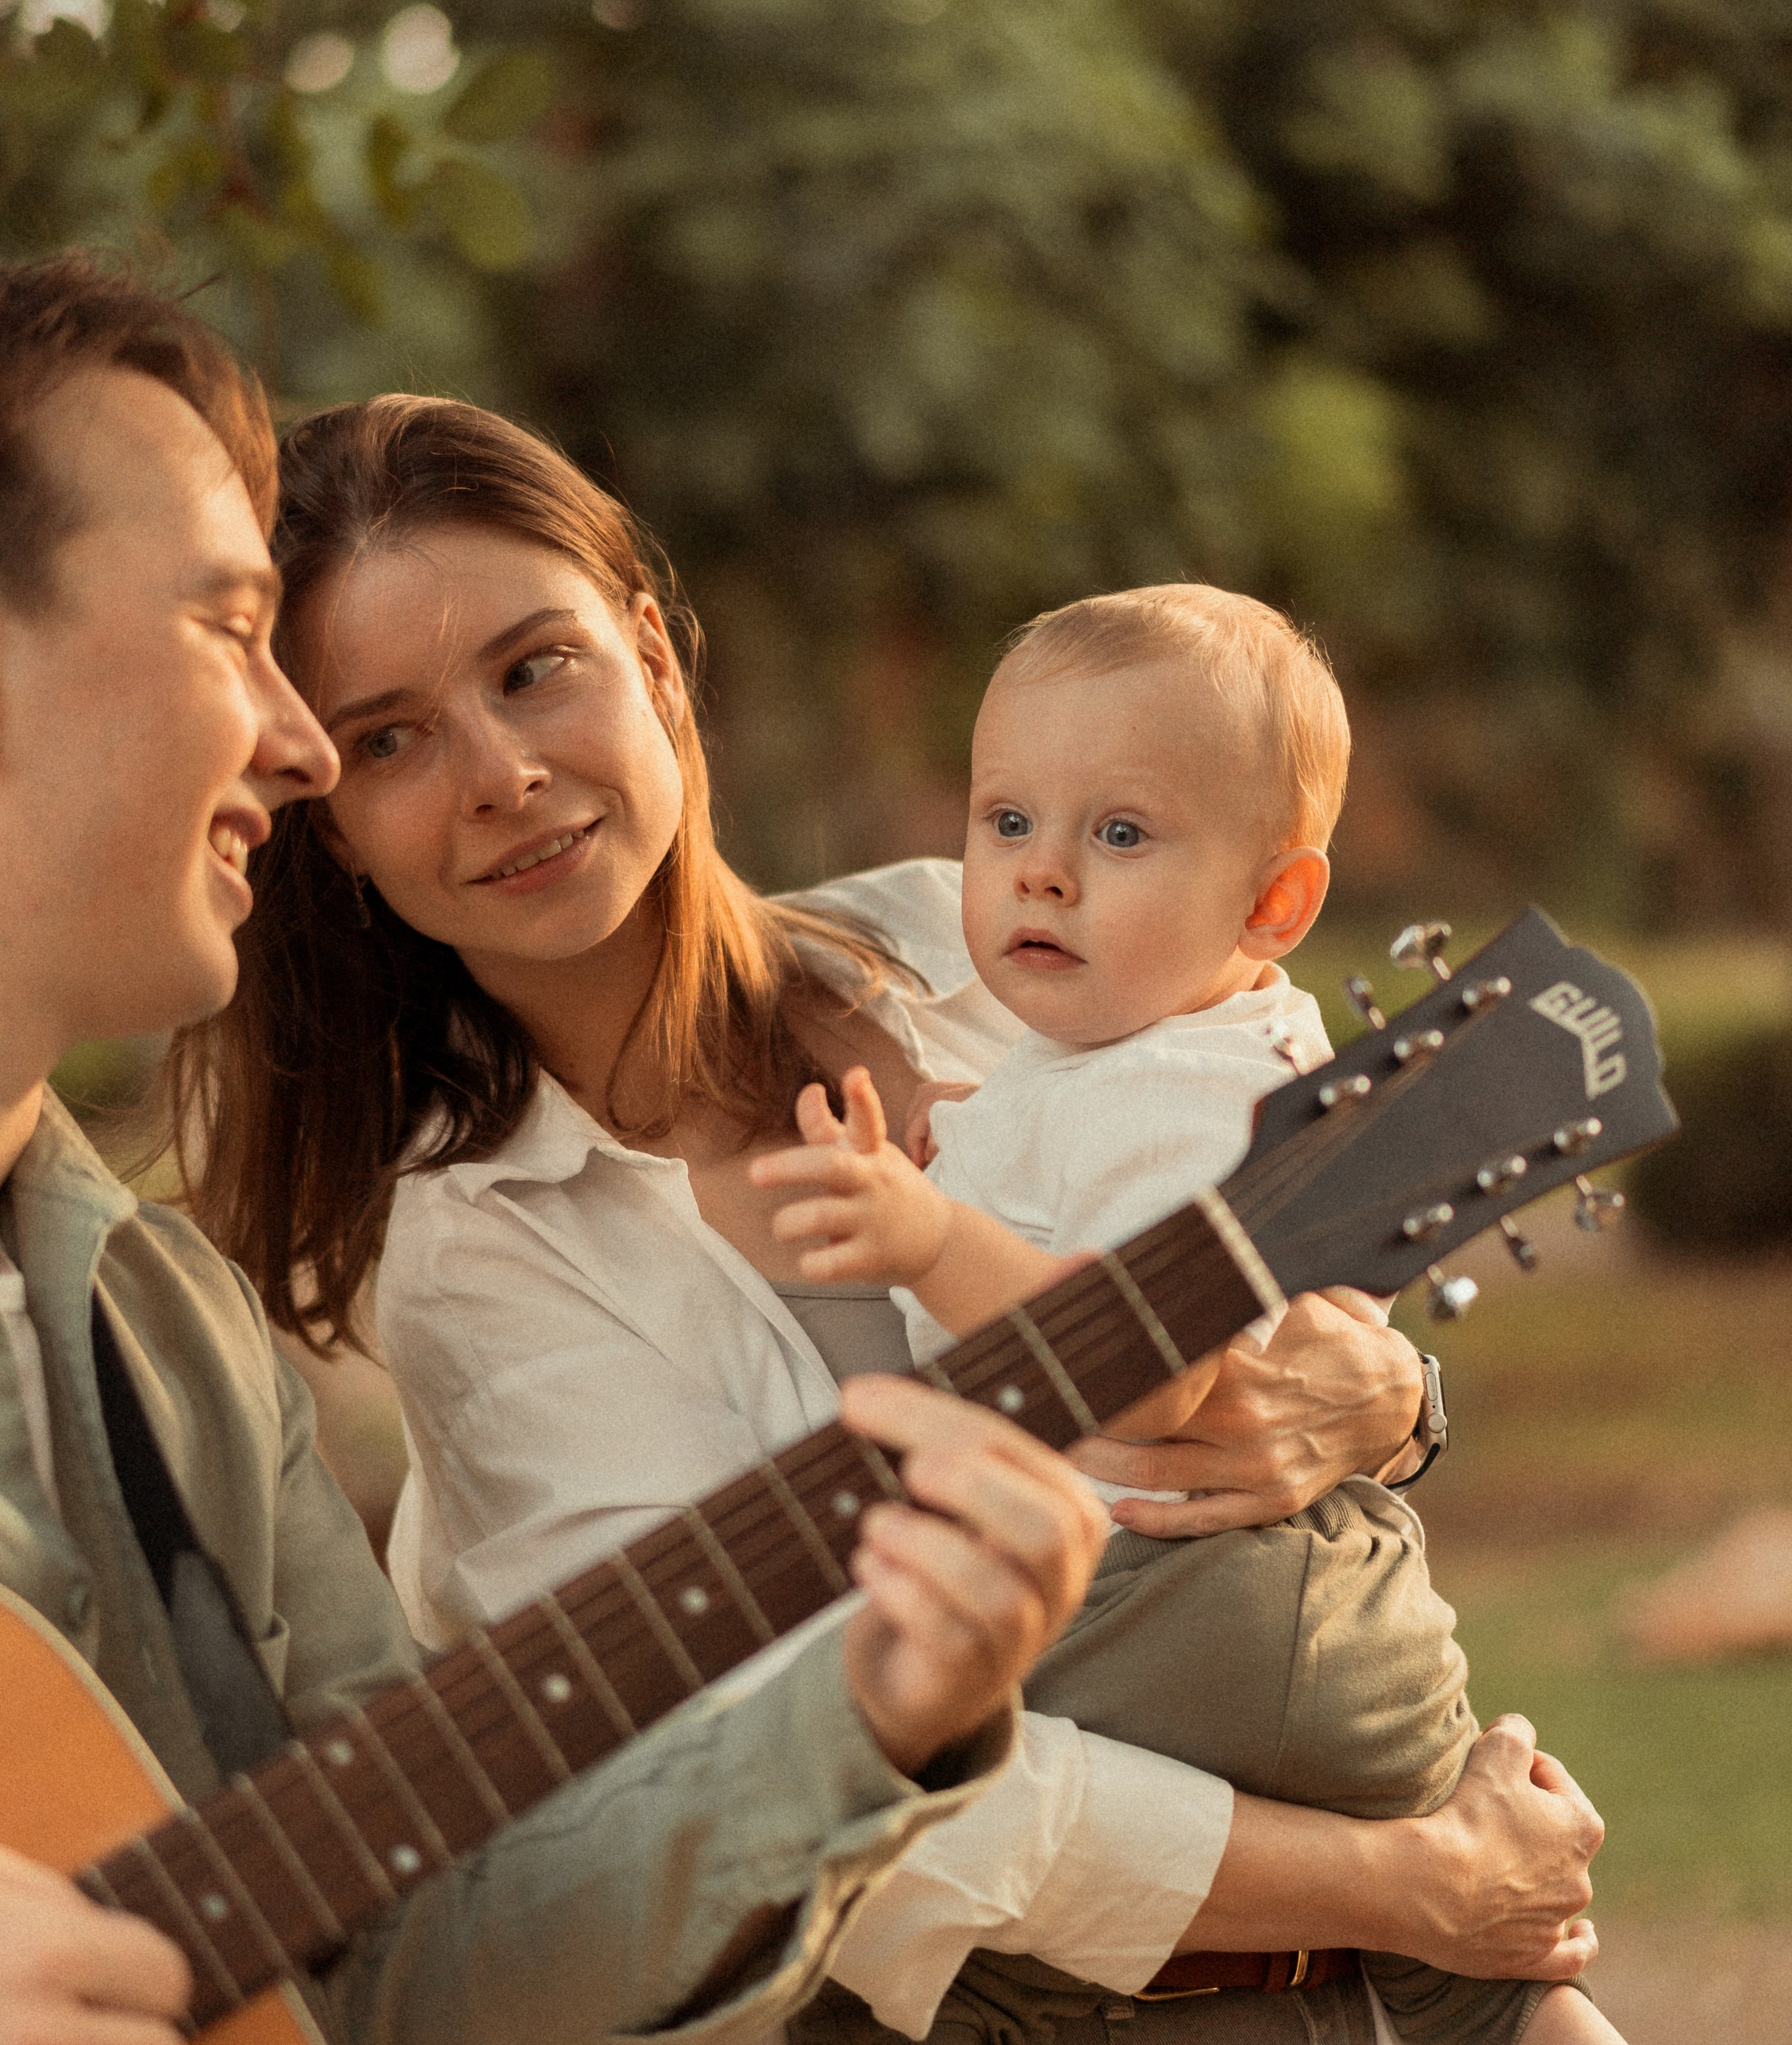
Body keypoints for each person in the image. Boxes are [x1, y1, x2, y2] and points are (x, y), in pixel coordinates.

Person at [0, 256, 1119, 2045]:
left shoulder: (173, 1347)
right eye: (230, 630)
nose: (303, 748)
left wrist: (864, 1713)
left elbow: (409, 1956)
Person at [173, 393, 1607, 2040]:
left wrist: (1384, 1401)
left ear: (647, 649)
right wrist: (1410, 1885)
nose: (499, 773)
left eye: (528, 667)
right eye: (388, 737)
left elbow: (1247, 1249)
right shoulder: (483, 1252)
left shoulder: (973, 935)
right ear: (329, 824)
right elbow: (785, 1765)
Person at [751, 588, 1619, 2043]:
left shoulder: (1194, 1093)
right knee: (1495, 1992)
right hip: (1226, 1608)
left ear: (1272, 907)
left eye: (1121, 834)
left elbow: (1144, 1378)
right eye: (1007, 821)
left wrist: (926, 1234)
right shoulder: (1097, 1052)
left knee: (848, 1824)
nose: (1042, 878)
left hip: (1180, 1592)